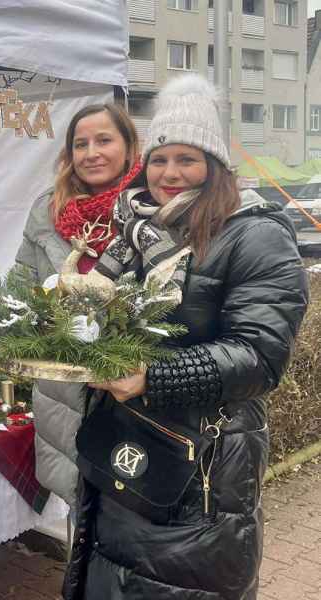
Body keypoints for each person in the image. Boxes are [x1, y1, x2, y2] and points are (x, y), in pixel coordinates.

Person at [62, 74, 309, 599]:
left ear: (215, 166)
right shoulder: (136, 231)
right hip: (124, 444)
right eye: (159, 159)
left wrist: (154, 374)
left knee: (175, 585)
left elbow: (260, 356)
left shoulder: (254, 234)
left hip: (202, 467)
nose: (169, 173)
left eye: (187, 159)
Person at [15, 103, 141, 509]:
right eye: (80, 144)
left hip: (131, 389)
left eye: (104, 140)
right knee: (77, 501)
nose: (91, 153)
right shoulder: (48, 211)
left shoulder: (150, 207)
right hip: (62, 390)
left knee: (130, 499)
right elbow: (24, 286)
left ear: (128, 145)